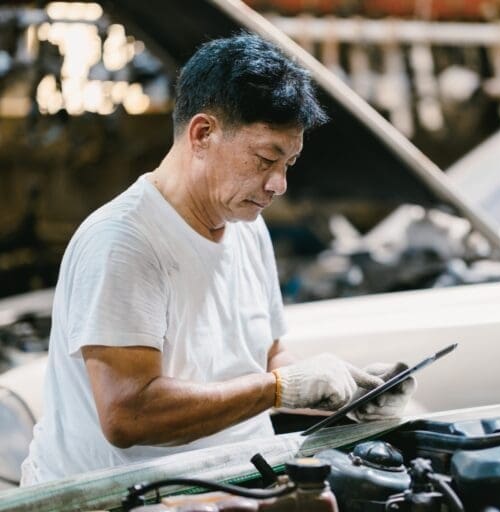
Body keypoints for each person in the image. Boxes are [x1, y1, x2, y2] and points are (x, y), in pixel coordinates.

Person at [21, 33, 414, 485]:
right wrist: (278, 391)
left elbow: (266, 355)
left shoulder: (248, 228)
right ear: (203, 134)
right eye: (266, 159)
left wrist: (344, 391)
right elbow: (128, 415)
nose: (278, 184)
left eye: (288, 164)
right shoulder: (125, 242)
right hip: (120, 498)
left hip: (231, 484)